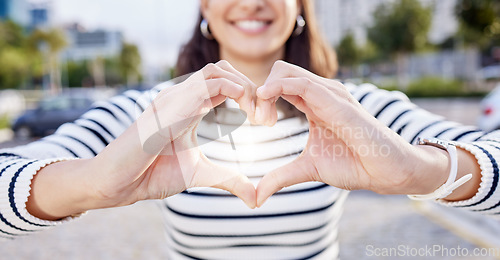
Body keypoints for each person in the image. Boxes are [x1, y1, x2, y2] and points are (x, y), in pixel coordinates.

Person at [0, 0, 498, 259]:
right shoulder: (153, 113)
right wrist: (93, 183)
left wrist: (422, 173)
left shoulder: (354, 109)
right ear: (205, 11)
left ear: (301, 8)